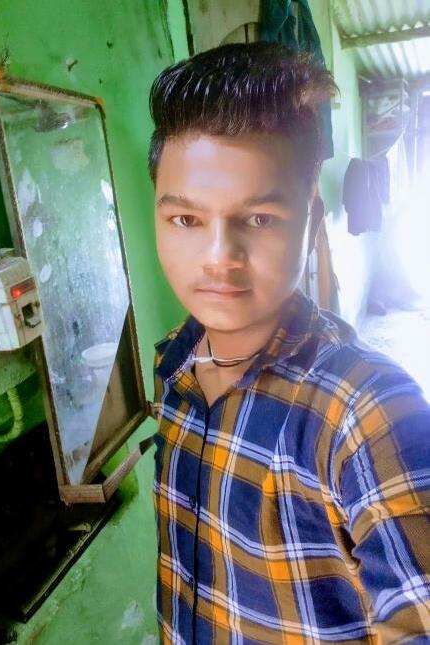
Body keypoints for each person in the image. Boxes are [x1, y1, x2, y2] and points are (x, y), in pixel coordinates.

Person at [147, 42, 430, 644]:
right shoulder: (173, 362)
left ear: (312, 219)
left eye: (259, 219)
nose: (219, 258)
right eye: (186, 220)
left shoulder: (366, 410)